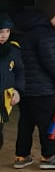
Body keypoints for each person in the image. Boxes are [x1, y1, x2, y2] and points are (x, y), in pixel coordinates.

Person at [13, 0, 55, 170]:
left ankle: (21, 156)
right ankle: (49, 156)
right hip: (41, 88)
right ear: (50, 13)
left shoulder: (26, 29)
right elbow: (51, 60)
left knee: (26, 122)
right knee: (48, 123)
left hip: (25, 86)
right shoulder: (46, 33)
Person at [0, 13, 25, 152]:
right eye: (0, 31)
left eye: (7, 31)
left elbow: (20, 71)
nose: (4, 35)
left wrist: (17, 90)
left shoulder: (13, 50)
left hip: (3, 98)